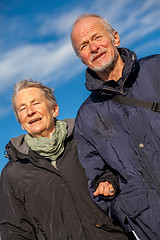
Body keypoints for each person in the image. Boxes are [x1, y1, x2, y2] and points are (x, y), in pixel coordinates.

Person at [0, 80, 131, 240]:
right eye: (22, 108)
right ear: (21, 123)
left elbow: (119, 171)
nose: (30, 112)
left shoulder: (85, 140)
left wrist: (110, 182)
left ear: (54, 109)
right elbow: (15, 231)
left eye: (35, 103)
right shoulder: (13, 174)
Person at [71, 13, 160, 240]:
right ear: (81, 58)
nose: (93, 47)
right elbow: (98, 176)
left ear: (115, 38)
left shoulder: (157, 69)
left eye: (97, 37)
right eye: (84, 45)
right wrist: (122, 204)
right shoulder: (86, 118)